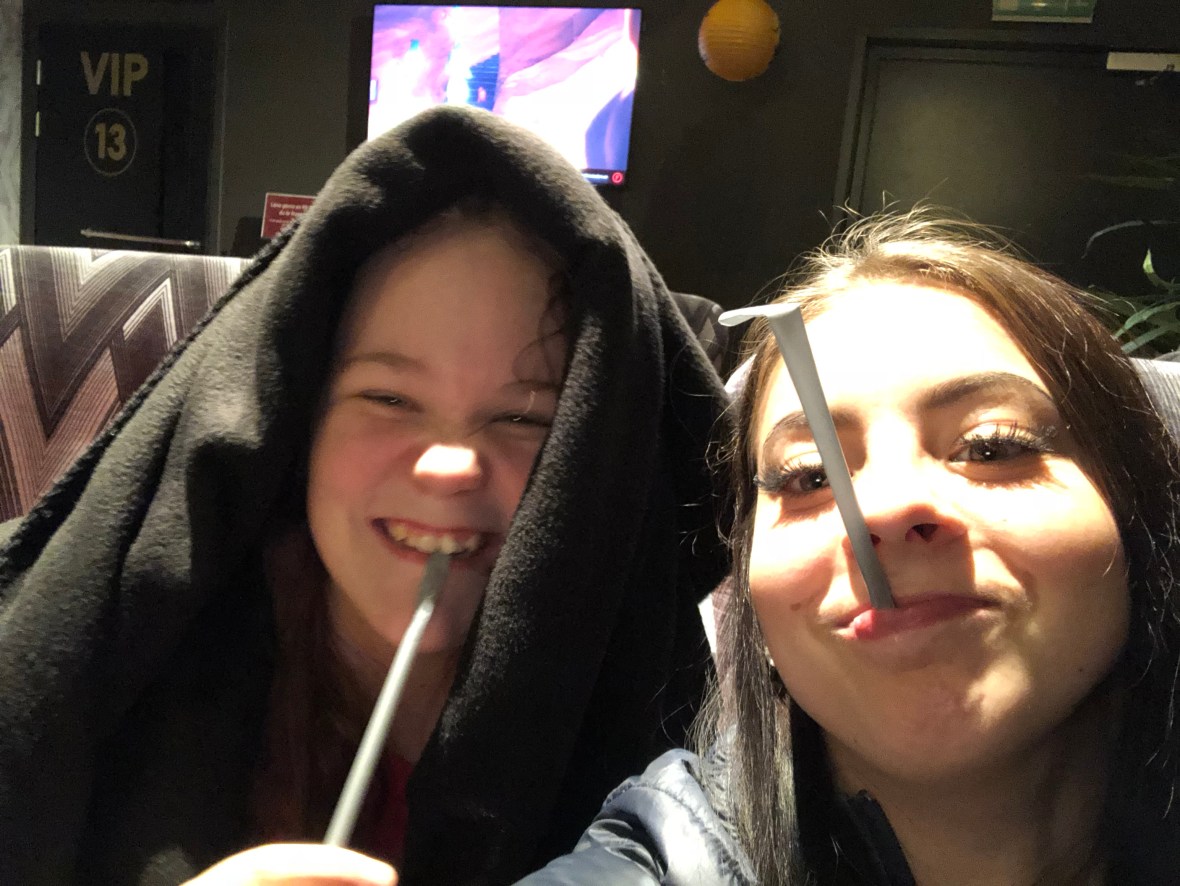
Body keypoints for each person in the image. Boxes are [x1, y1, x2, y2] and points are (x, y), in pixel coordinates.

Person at [0, 106, 731, 885]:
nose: (449, 467)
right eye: (388, 398)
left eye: (524, 418)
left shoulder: (677, 754)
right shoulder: (119, 670)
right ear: (297, 421)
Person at [518, 213, 1180, 885]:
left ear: (1141, 522)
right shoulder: (662, 855)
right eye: (808, 477)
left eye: (990, 446)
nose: (881, 509)